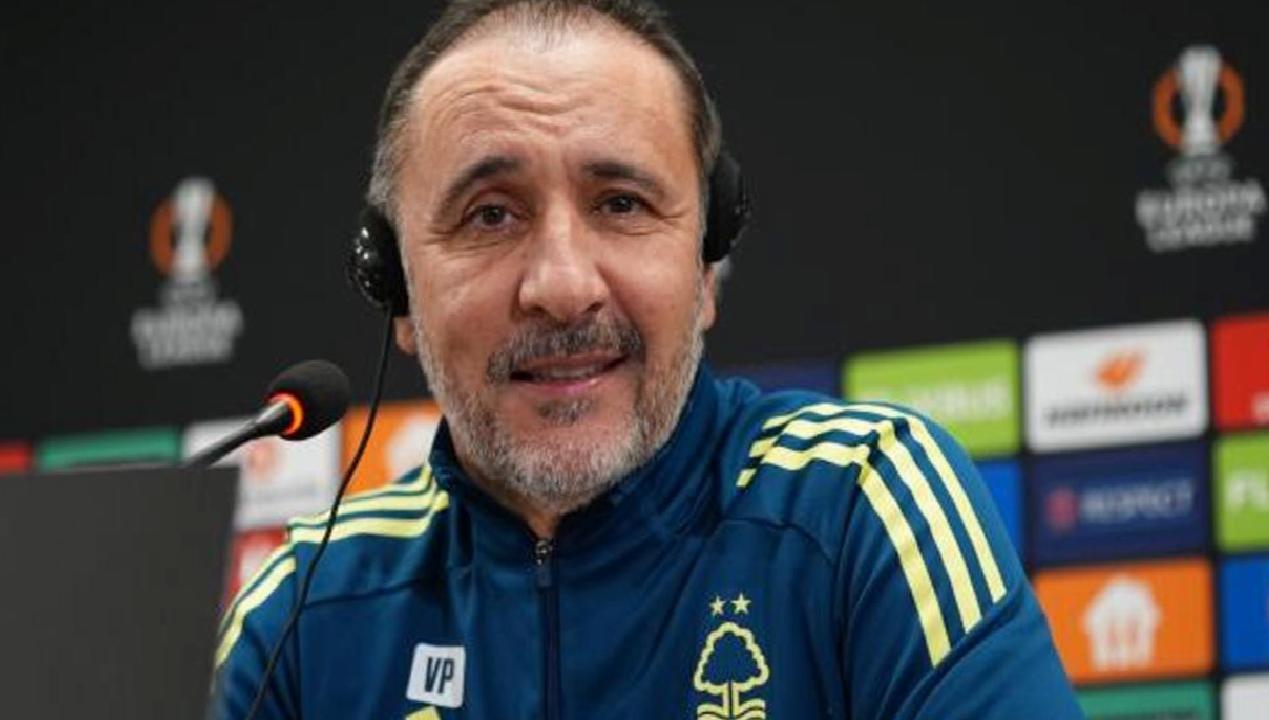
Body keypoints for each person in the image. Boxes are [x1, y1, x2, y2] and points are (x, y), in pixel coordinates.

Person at [213, 1, 1083, 717]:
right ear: (396, 289)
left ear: (705, 265)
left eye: (621, 204)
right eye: (491, 215)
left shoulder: (862, 505)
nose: (562, 286)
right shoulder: (302, 615)